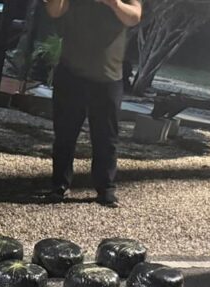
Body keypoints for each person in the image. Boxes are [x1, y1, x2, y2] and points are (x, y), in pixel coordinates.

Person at [42, 0, 143, 208]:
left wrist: (114, 4)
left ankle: (106, 189)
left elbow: (134, 17)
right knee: (64, 134)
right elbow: (54, 11)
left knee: (106, 137)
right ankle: (59, 186)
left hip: (108, 77)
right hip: (71, 73)